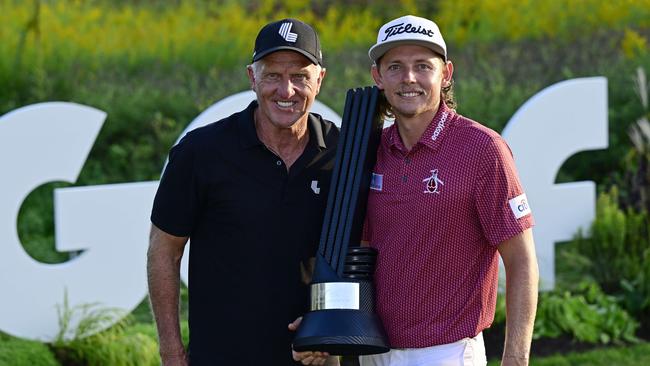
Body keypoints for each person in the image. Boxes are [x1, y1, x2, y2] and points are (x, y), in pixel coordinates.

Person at [147, 18, 339, 365]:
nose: (287, 90)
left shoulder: (343, 153)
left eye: (300, 76)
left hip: (311, 358)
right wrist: (171, 352)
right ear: (252, 77)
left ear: (320, 80)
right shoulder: (201, 152)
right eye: (272, 76)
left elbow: (365, 250)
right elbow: (164, 251)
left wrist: (331, 323)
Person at [359, 15, 539, 366]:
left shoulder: (483, 149)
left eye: (422, 66)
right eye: (395, 67)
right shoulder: (370, 150)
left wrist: (516, 358)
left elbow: (521, 261)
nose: (409, 78)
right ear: (377, 77)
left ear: (446, 74)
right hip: (375, 352)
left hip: (449, 353)